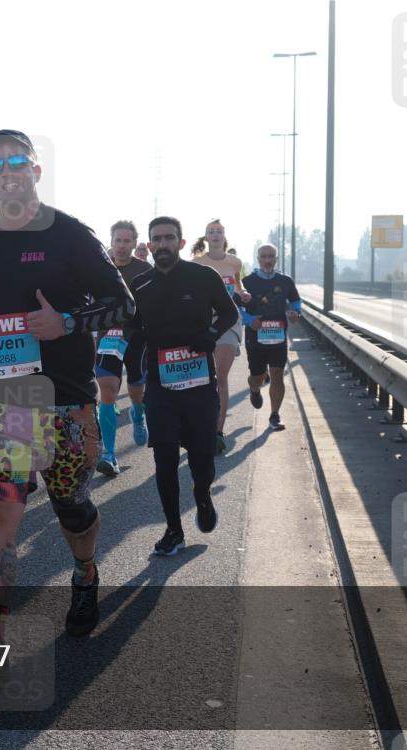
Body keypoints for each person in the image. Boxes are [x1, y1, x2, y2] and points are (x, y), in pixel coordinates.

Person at [0, 130, 133, 662]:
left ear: (35, 170)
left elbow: (123, 304)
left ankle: (85, 572)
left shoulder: (69, 233)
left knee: (71, 509)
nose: (5, 173)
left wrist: (65, 321)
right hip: (0, 401)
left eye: (15, 161)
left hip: (66, 400)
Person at [126, 216, 238, 555]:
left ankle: (202, 496)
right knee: (164, 458)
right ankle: (173, 530)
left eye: (169, 238)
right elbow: (134, 330)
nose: (162, 244)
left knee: (202, 458)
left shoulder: (203, 276)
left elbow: (230, 314)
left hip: (200, 384)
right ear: (148, 244)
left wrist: (212, 335)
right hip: (161, 385)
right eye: (156, 239)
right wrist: (132, 363)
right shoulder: (141, 285)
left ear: (181, 242)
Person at [190, 219, 251, 454]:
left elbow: (239, 285)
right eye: (211, 232)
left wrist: (243, 293)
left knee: (220, 377)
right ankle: (200, 425)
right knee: (203, 377)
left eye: (219, 232)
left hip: (228, 321)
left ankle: (217, 431)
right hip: (203, 323)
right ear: (206, 237)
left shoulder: (235, 262)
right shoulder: (196, 263)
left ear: (224, 236)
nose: (215, 235)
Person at [96, 220, 151, 477]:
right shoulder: (100, 268)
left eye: (127, 241)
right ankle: (108, 453)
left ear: (134, 243)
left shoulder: (144, 269)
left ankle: (138, 414)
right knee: (107, 390)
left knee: (136, 390)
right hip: (109, 337)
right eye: (118, 240)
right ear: (112, 240)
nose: (121, 246)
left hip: (137, 338)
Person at [241, 243, 302, 431]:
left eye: (271, 256)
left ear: (276, 258)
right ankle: (254, 388)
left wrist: (295, 313)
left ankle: (275, 415)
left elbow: (296, 301)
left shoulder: (285, 281)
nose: (268, 260)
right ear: (258, 259)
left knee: (277, 374)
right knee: (257, 376)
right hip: (255, 337)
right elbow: (236, 307)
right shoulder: (247, 282)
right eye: (264, 256)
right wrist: (250, 319)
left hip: (278, 337)